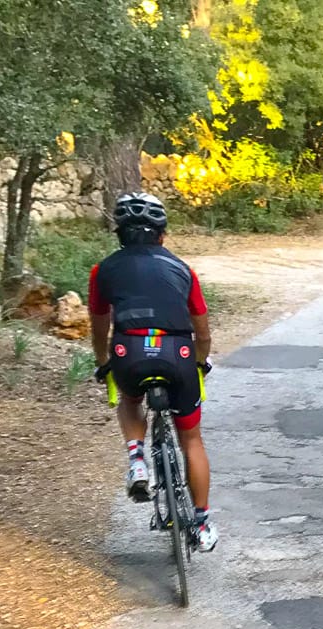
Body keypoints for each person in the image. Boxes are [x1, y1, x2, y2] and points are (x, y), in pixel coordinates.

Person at [88, 192, 218, 552]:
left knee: (130, 400)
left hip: (128, 350)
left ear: (119, 233)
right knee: (191, 440)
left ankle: (137, 459)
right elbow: (203, 331)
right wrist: (200, 362)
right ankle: (201, 522)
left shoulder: (103, 270)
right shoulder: (183, 269)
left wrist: (103, 362)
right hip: (178, 352)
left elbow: (99, 325)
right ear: (162, 235)